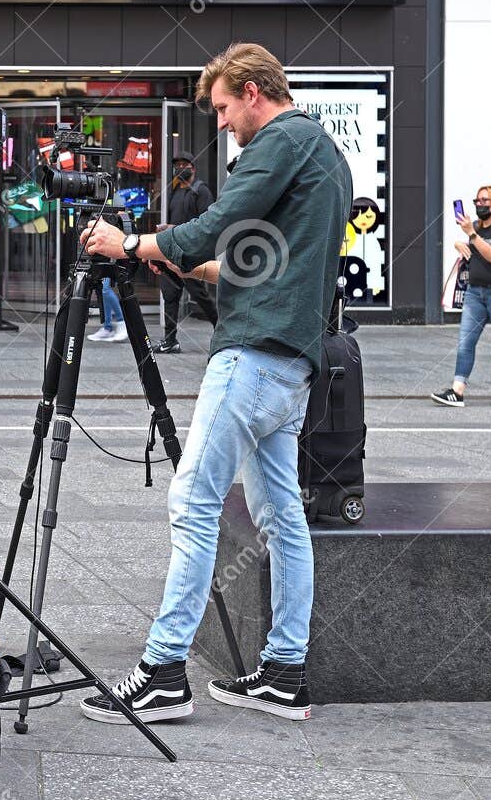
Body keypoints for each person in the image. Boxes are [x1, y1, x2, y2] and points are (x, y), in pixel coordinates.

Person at [76, 42, 351, 724]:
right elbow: (264, 264)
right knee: (283, 518)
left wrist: (132, 245)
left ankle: (165, 670)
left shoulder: (281, 140)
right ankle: (285, 671)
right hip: (293, 365)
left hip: (252, 359)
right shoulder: (325, 154)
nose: (224, 124)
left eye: (226, 108)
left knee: (192, 501)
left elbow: (218, 224)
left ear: (254, 90)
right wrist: (183, 267)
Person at [432, 185, 491, 407]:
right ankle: (457, 391)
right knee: (466, 341)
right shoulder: (475, 227)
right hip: (475, 293)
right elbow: (471, 246)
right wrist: (459, 243)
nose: (479, 204)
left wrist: (471, 235)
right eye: (477, 200)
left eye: (484, 200)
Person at [153, 150, 219, 354]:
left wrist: (174, 227)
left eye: (185, 164)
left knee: (200, 296)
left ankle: (224, 332)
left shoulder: (201, 191)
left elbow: (207, 222)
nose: (180, 168)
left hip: (191, 253)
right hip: (173, 250)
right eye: (177, 164)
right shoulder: (175, 191)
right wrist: (167, 229)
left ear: (193, 168)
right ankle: (170, 340)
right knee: (170, 295)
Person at [89, 276, 127, 343]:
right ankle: (107, 328)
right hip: (103, 266)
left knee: (106, 290)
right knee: (105, 290)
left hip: (109, 266)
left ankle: (121, 323)